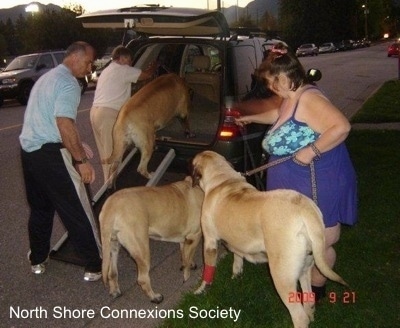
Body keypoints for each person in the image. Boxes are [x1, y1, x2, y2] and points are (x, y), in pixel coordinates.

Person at [235, 42, 358, 301]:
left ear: (289, 76)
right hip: (297, 181)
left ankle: (317, 290)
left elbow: (342, 127)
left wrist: (311, 150)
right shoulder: (292, 97)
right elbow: (278, 115)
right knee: (301, 239)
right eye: (269, 83)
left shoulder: (309, 98)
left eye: (274, 82)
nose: (271, 88)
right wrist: (251, 118)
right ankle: (304, 281)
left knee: (321, 240)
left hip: (319, 180)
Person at [20, 41, 102, 282]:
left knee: (41, 208)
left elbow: (46, 119)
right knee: (77, 208)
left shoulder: (47, 78)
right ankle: (94, 264)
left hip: (29, 152)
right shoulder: (68, 83)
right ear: (75, 58)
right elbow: (64, 123)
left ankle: (37, 259)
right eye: (88, 62)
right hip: (50, 156)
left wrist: (76, 143)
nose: (89, 68)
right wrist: (81, 161)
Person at [90, 45, 157, 183]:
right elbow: (147, 75)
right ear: (122, 58)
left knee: (106, 152)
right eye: (130, 60)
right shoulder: (122, 70)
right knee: (114, 154)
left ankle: (109, 183)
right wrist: (154, 66)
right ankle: (110, 187)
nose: (131, 63)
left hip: (95, 113)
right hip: (109, 114)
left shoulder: (108, 70)